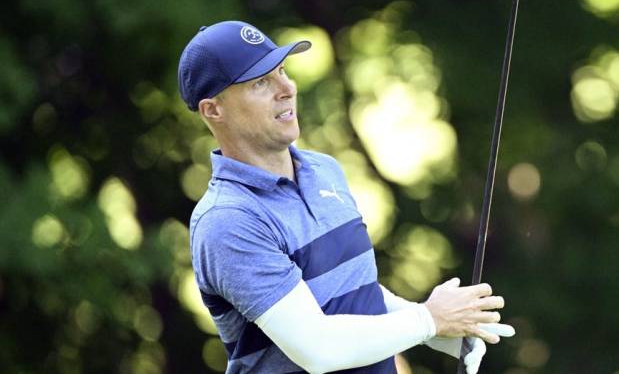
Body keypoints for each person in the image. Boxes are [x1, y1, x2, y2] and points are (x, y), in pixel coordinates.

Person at [178, 20, 515, 374]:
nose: (287, 88)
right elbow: (317, 348)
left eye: (282, 71)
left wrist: (436, 331)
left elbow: (352, 292)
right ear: (213, 110)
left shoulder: (324, 171)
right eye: (262, 82)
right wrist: (427, 320)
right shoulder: (228, 219)